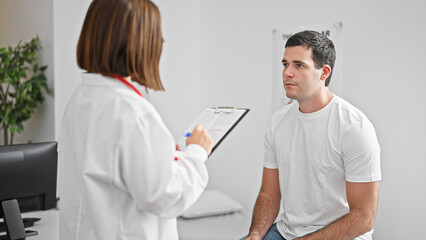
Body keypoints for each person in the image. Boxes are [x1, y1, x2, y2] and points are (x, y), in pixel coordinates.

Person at [58, 0, 213, 239]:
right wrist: (197, 152)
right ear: (139, 42)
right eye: (156, 35)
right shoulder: (132, 112)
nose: (161, 42)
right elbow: (165, 195)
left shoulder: (82, 99)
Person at [244, 30, 381, 240]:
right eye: (285, 64)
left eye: (299, 65)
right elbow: (269, 194)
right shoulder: (277, 122)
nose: (287, 72)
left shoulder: (354, 127)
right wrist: (254, 235)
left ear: (324, 72)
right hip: (287, 233)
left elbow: (364, 217)